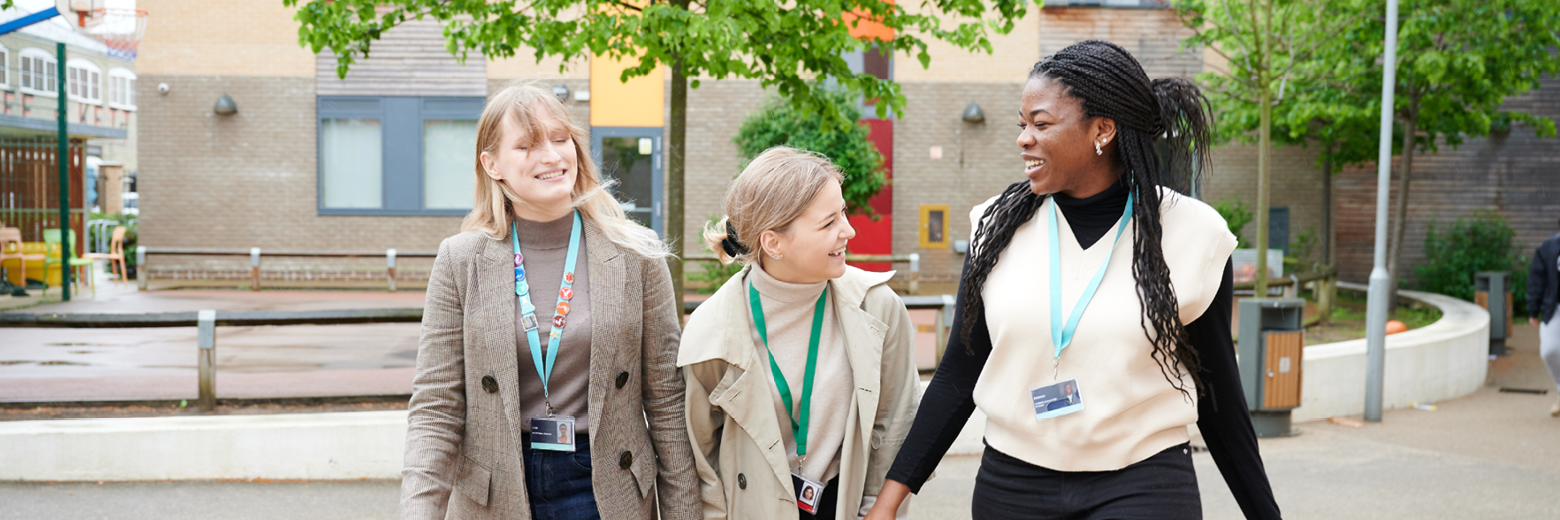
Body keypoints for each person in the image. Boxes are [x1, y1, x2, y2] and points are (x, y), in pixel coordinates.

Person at [865, 40, 1281, 520]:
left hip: (1143, 483)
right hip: (1012, 486)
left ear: (1102, 130)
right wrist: (889, 502)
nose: (1024, 138)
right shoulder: (994, 226)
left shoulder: (1193, 235)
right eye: (1022, 125)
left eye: (1041, 124)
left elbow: (1219, 398)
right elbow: (960, 371)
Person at [402, 81, 700, 520]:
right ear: (493, 164)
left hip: (605, 487)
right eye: (526, 145)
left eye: (560, 139)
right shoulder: (460, 259)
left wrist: (684, 513)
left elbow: (667, 402)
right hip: (496, 489)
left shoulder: (637, 254)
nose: (552, 156)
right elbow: (436, 405)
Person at [681, 147, 921, 520]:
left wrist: (877, 510)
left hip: (846, 506)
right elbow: (700, 458)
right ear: (773, 243)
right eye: (828, 224)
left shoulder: (878, 306)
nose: (849, 230)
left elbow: (896, 424)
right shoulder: (711, 331)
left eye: (843, 211)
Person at [1526, 217, 1560, 417]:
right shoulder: (1550, 247)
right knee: (1549, 350)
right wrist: (1533, 308)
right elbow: (1537, 278)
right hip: (1554, 308)